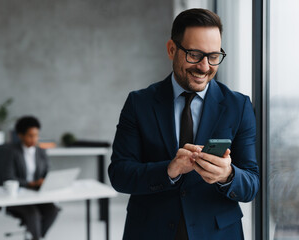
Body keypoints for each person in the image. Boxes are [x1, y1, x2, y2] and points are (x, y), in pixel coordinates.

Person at [108, 8, 259, 240]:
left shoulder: (238, 106)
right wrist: (169, 170)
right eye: (195, 55)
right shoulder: (139, 103)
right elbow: (119, 174)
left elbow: (251, 184)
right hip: (150, 231)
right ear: (171, 49)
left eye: (213, 56)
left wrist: (227, 175)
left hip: (218, 233)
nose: (205, 67)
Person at [6, 116, 60, 240]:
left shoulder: (41, 151)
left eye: (36, 135)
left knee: (53, 210)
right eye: (30, 135)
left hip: (37, 194)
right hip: (18, 195)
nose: (34, 139)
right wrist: (31, 183)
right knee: (33, 213)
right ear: (20, 135)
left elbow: (47, 172)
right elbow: (9, 177)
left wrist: (44, 181)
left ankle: (36, 236)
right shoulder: (12, 152)